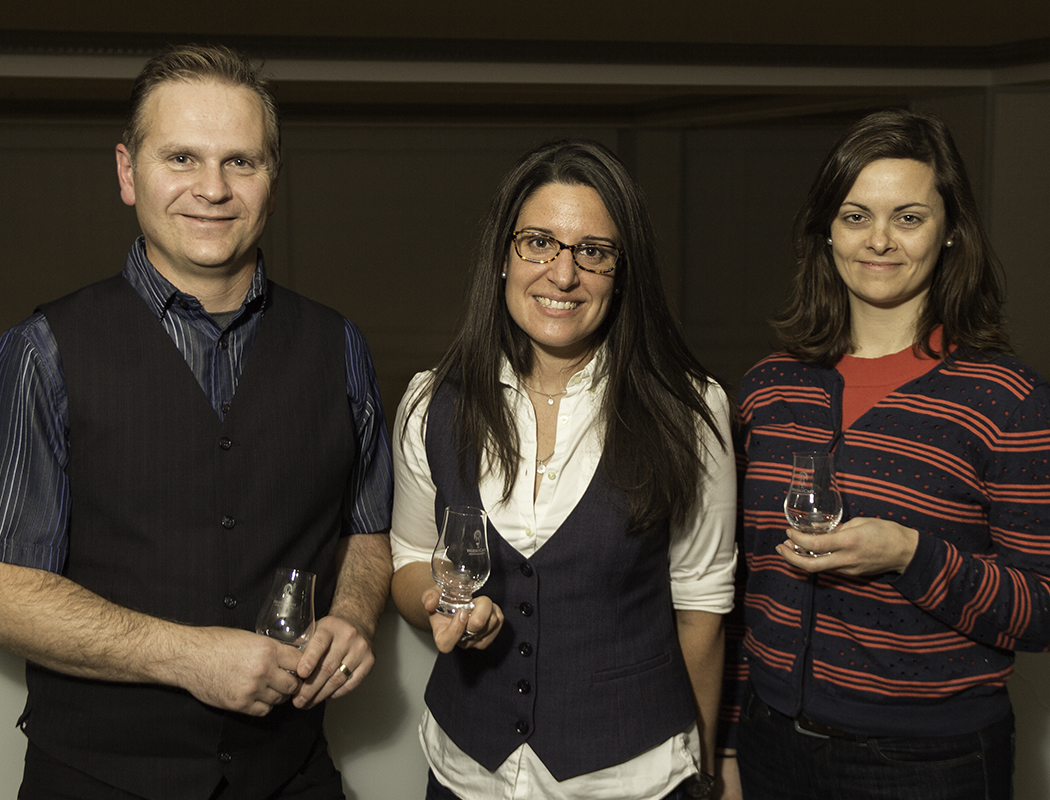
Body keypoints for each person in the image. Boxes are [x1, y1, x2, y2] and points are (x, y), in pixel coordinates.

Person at [0, 44, 393, 799]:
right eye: (181, 157)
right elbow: (10, 588)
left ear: (273, 183)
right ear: (127, 172)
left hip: (292, 777)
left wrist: (352, 614)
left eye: (241, 162)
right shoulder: (42, 351)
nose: (212, 189)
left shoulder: (339, 346)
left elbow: (367, 531)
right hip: (95, 779)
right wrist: (185, 657)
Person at [390, 139, 737, 800]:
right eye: (539, 243)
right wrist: (438, 602)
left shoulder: (691, 411)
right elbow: (411, 558)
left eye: (594, 252)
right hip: (467, 774)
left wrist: (707, 773)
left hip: (632, 778)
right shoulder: (432, 400)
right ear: (502, 256)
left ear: (622, 272)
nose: (563, 274)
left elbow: (700, 607)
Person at [719, 109, 1050, 799]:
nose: (878, 241)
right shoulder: (769, 387)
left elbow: (1040, 608)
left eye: (908, 217)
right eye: (854, 215)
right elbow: (745, 585)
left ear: (950, 230)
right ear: (826, 230)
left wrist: (910, 554)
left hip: (930, 761)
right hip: (770, 742)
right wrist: (726, 739)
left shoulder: (1006, 398)